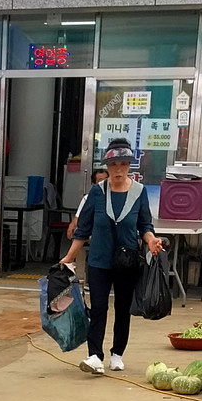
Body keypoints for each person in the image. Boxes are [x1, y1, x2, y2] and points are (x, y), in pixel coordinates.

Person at [61, 139, 164, 376]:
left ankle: (117, 353)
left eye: (123, 164)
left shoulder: (139, 192)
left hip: (127, 262)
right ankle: (95, 355)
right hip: (99, 260)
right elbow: (82, 229)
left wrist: (151, 241)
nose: (118, 169)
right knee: (98, 308)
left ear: (130, 166)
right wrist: (69, 257)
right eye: (113, 164)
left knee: (122, 307)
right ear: (106, 166)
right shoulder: (96, 193)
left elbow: (145, 225)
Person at [67, 166, 108, 239]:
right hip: (92, 231)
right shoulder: (87, 198)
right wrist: (73, 225)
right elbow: (77, 218)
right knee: (77, 235)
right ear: (94, 184)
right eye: (101, 181)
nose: (105, 183)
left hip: (109, 232)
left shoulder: (115, 196)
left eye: (107, 180)